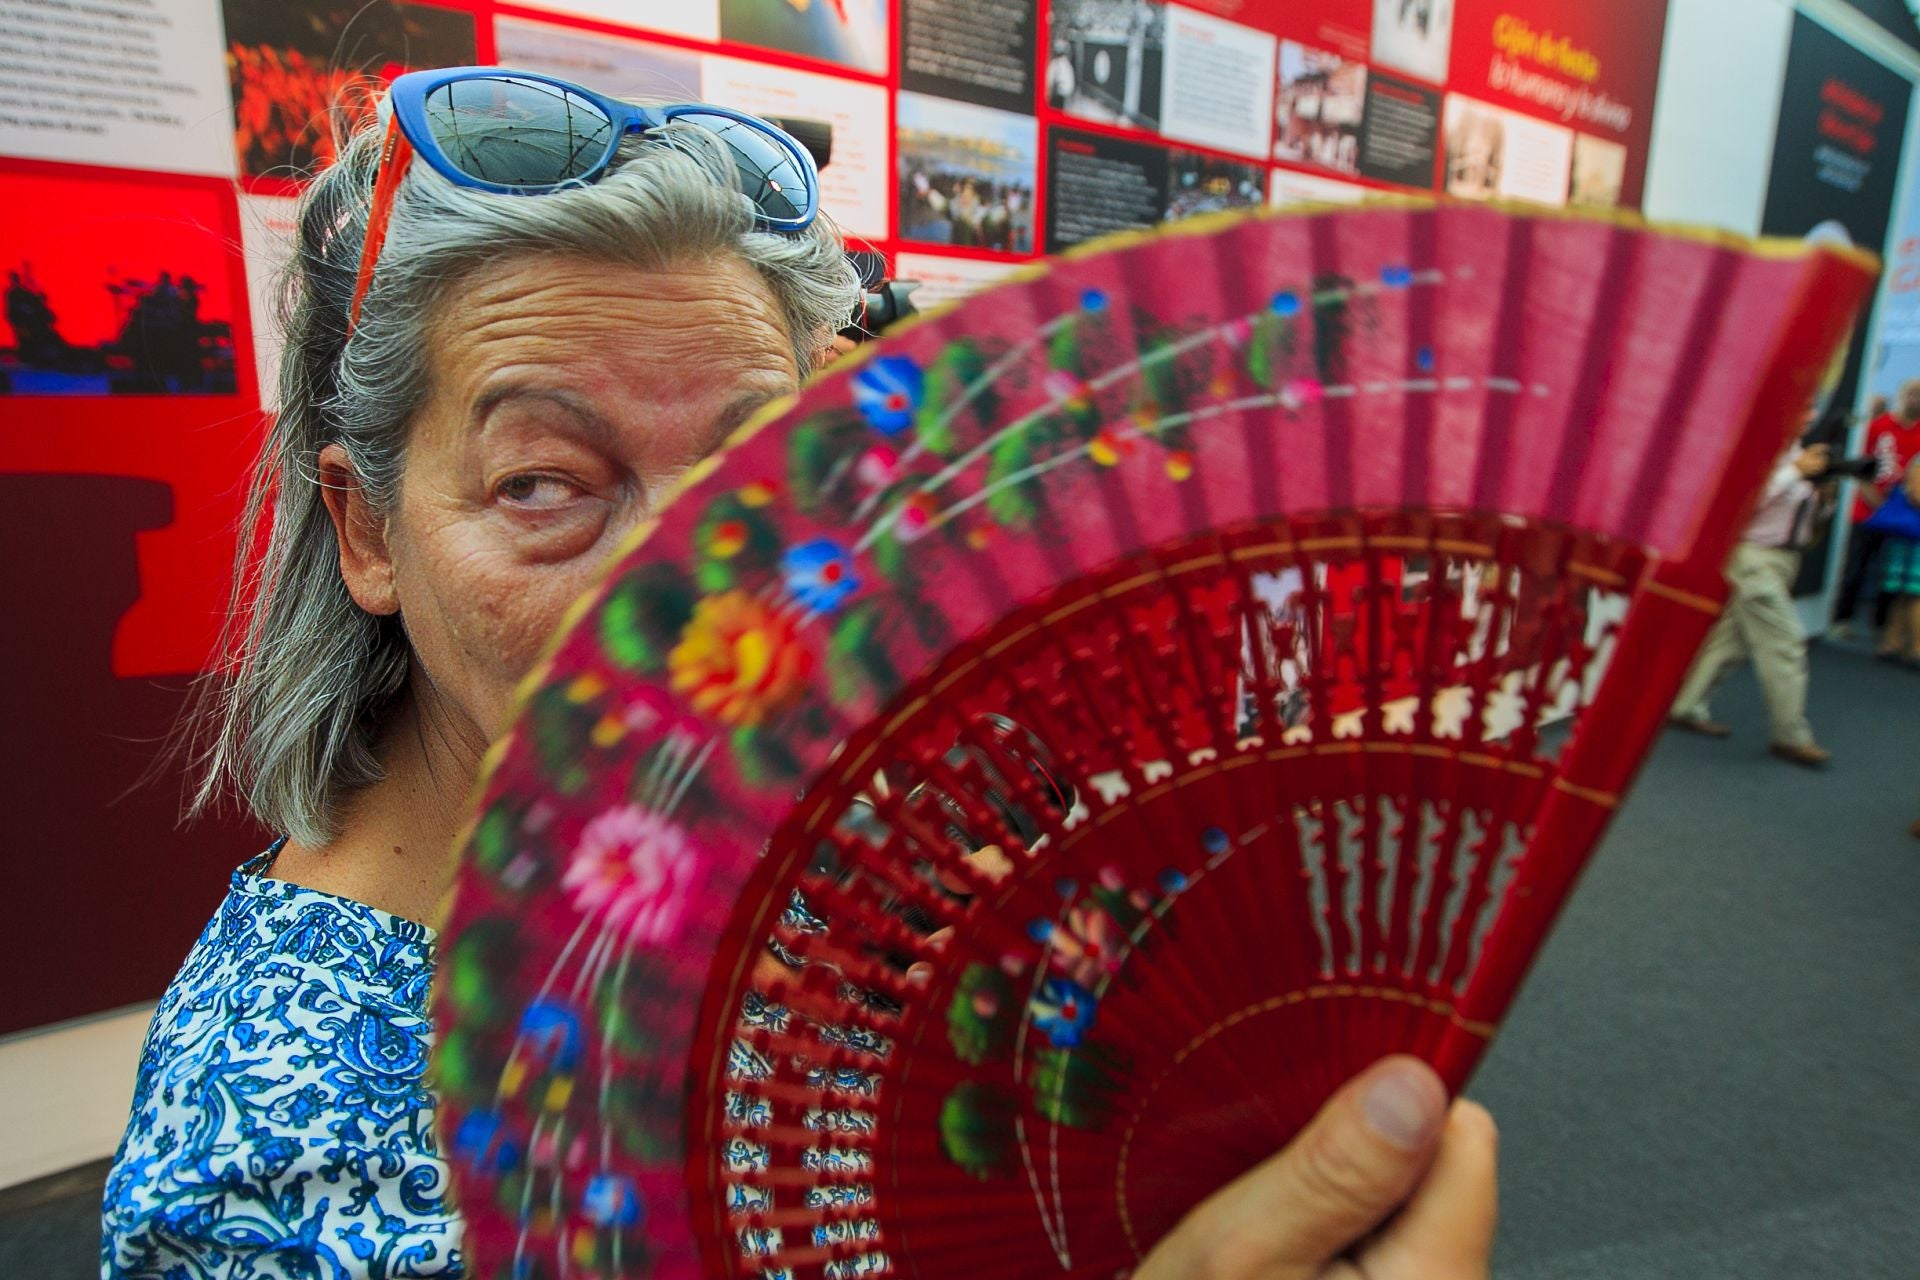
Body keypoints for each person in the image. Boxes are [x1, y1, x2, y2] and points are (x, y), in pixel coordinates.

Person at [102, 67, 1496, 1280]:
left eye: (754, 467)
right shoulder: (283, 1157)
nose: (695, 593)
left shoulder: (775, 833)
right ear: (368, 532)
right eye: (544, 483)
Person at [1669, 432, 1835, 766]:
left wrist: (1825, 493)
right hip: (1753, 557)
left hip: (1784, 560)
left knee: (1731, 641)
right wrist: (1795, 473)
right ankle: (1790, 737)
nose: (1810, 415)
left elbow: (1811, 519)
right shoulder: (1762, 451)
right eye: (1805, 409)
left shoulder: (1801, 455)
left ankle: (1685, 707)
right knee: (1786, 643)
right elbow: (1740, 505)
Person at [1832, 378, 1920, 637]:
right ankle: (1842, 618)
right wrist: (1872, 497)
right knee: (1856, 566)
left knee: (1892, 573)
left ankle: (1882, 626)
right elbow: (1860, 466)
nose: (1916, 400)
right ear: (1901, 395)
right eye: (1912, 394)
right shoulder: (1877, 426)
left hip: (1903, 516)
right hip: (1867, 510)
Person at [1873, 458, 1920, 665]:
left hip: (1911, 539)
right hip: (1913, 539)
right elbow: (1917, 494)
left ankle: (1893, 642)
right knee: (1914, 594)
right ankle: (1915, 647)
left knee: (1906, 594)